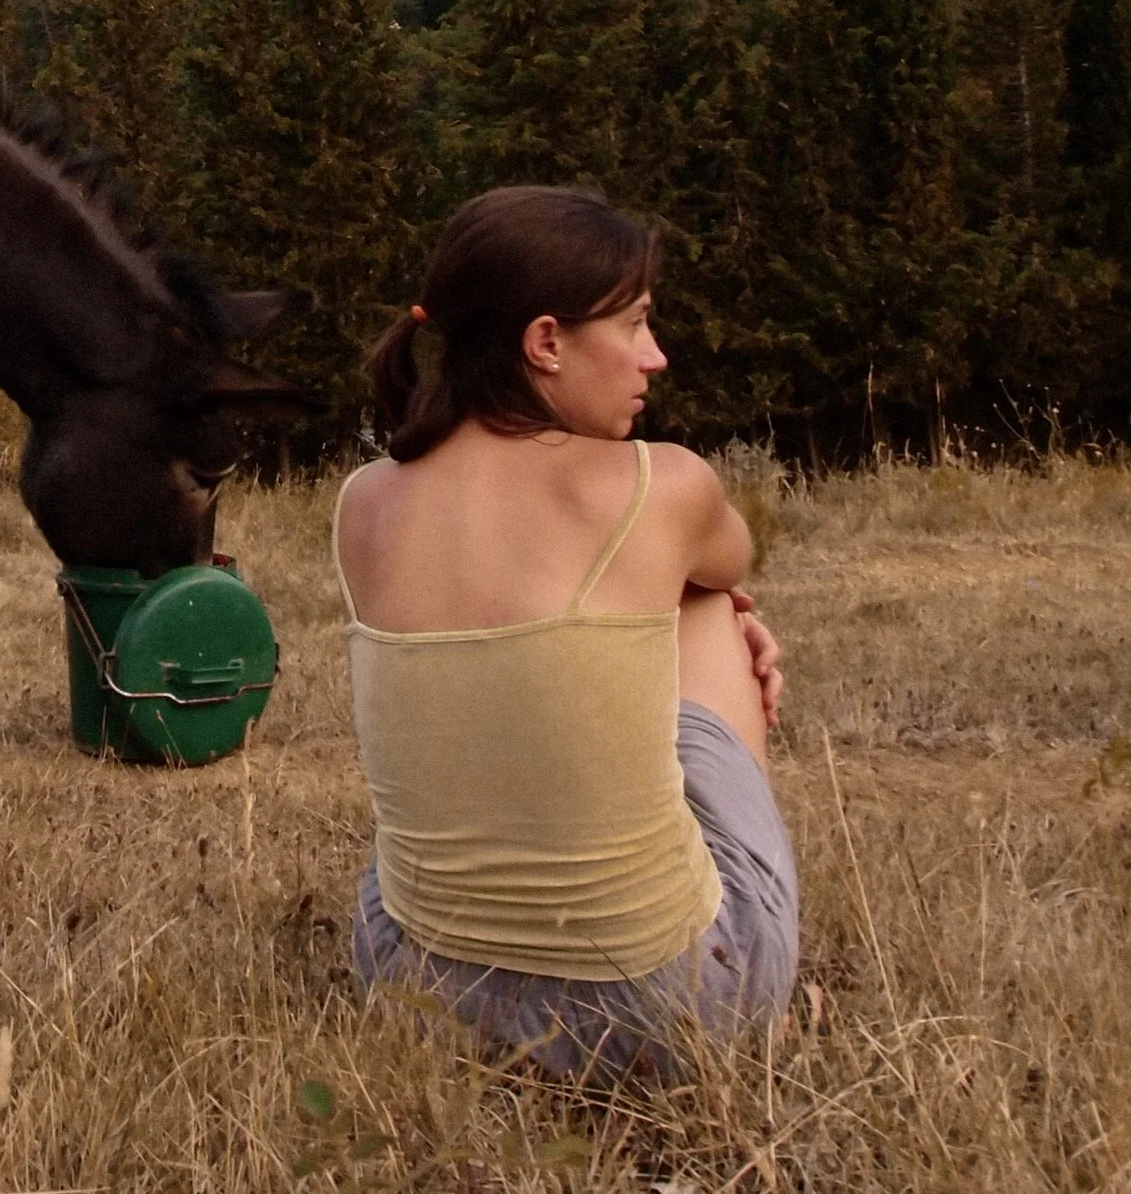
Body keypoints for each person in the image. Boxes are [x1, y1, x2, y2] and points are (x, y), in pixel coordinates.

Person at [335, 184, 797, 1077]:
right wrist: (711, 616)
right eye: (636, 324)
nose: (655, 356)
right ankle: (757, 1015)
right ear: (546, 342)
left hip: (417, 991)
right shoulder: (661, 485)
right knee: (706, 600)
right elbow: (730, 563)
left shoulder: (365, 502)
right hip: (666, 1012)